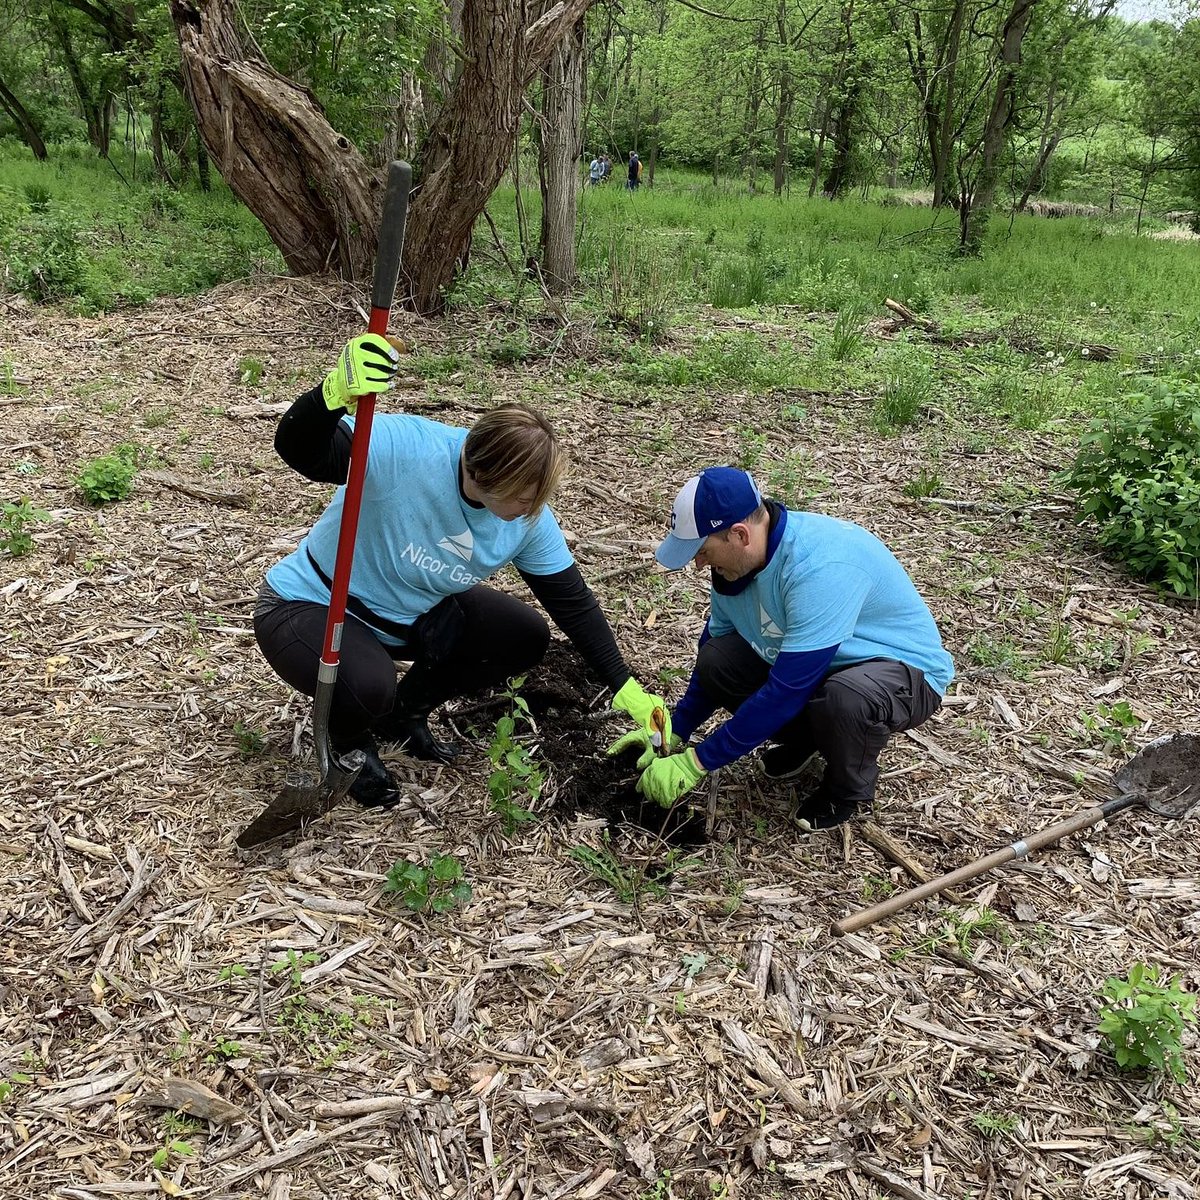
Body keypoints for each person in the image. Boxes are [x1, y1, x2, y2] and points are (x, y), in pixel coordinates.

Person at [254, 334, 669, 810]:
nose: (533, 509)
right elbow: (301, 451)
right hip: (312, 606)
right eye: (522, 496)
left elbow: (572, 604)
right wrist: (330, 396)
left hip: (408, 616)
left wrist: (626, 687)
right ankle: (348, 742)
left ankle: (405, 716)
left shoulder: (529, 517)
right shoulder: (405, 449)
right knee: (370, 685)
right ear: (481, 474)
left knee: (522, 634)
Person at [611, 468, 954, 830]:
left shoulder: (818, 569)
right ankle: (808, 740)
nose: (698, 563)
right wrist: (676, 729)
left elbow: (786, 691)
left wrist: (696, 762)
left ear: (739, 534)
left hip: (899, 671)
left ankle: (847, 789)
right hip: (819, 663)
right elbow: (712, 647)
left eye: (702, 550)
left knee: (844, 700)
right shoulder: (737, 567)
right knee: (719, 661)